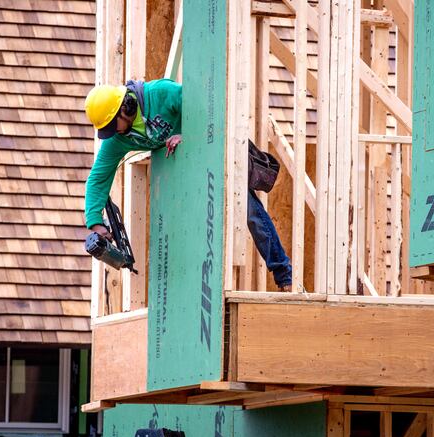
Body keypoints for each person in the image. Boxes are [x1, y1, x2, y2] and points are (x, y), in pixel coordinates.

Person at [83, 79, 292, 291]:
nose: (113, 133)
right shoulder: (118, 139)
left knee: (250, 212)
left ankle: (283, 275)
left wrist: (188, 135)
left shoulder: (162, 93)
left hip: (212, 151)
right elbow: (98, 178)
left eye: (112, 125)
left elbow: (210, 111)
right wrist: (95, 223)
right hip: (188, 174)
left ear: (125, 109)